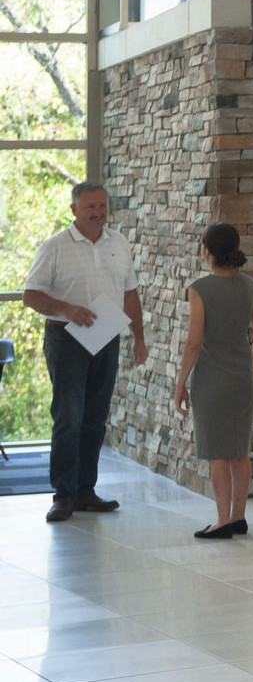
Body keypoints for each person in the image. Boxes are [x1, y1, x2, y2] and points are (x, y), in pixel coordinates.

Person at [22, 182, 148, 523]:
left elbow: (130, 295)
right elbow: (31, 296)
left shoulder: (118, 243)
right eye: (90, 206)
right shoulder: (55, 247)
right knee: (68, 417)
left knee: (95, 418)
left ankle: (85, 492)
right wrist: (67, 309)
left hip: (107, 338)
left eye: (102, 206)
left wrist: (139, 337)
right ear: (74, 210)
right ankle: (62, 495)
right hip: (66, 340)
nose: (98, 213)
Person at [173, 223, 253, 539]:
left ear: (207, 251)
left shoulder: (200, 289)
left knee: (217, 453)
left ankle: (222, 520)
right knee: (239, 452)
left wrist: (180, 383)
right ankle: (238, 518)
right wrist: (248, 371)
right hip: (242, 380)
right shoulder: (251, 287)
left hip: (211, 381)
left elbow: (193, 342)